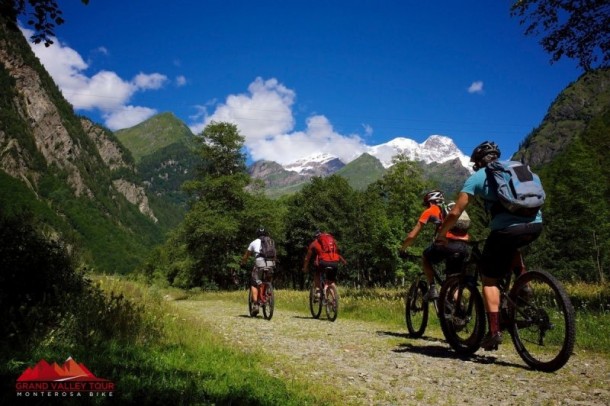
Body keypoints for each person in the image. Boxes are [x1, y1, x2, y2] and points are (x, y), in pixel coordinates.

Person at [435, 141, 543, 350]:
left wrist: (441, 233)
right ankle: (523, 282)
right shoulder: (521, 170)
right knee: (513, 248)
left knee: (489, 280)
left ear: (478, 162)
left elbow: (456, 212)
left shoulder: (477, 177)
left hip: (505, 229)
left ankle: (494, 332)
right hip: (536, 225)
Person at [399, 190, 469, 301]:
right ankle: (458, 310)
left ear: (430, 202)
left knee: (425, 257)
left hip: (445, 245)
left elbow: (412, 235)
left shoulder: (431, 210)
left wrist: (403, 248)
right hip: (463, 246)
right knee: (452, 283)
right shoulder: (453, 208)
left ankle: (432, 288)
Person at [241, 227, 276, 316]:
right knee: (267, 279)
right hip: (270, 263)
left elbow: (246, 255)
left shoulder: (253, 242)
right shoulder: (271, 241)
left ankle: (256, 304)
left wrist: (243, 263)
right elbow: (274, 254)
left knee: (254, 282)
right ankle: (267, 292)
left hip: (260, 263)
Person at [302, 230, 346, 300]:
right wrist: (343, 261)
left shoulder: (314, 243)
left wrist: (305, 268)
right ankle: (334, 300)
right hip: (335, 262)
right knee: (330, 281)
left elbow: (307, 258)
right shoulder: (332, 241)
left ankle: (318, 291)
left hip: (324, 262)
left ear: (316, 237)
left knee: (317, 273)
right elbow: (337, 252)